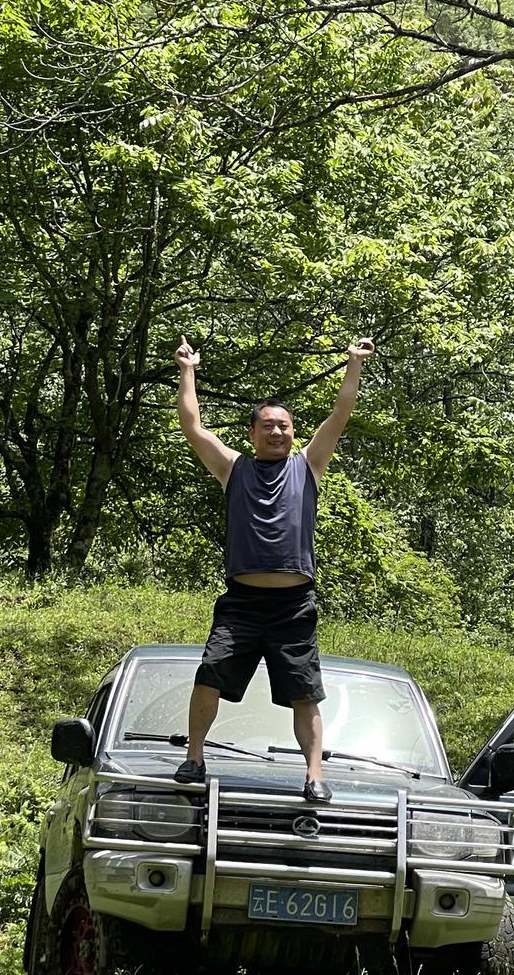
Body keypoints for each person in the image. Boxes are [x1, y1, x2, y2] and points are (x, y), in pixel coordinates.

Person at [171, 334, 374, 802]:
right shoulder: (233, 468)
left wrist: (354, 363)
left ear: (293, 432)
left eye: (284, 426)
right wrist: (187, 368)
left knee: (306, 692)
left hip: (293, 605)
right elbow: (192, 426)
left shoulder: (308, 466)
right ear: (253, 433)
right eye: (268, 426)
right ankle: (194, 758)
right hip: (242, 603)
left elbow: (339, 415)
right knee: (209, 675)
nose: (277, 432)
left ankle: (314, 775)